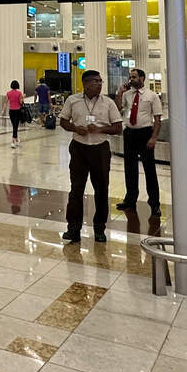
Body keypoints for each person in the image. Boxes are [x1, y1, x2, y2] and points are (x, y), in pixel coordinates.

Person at [58, 69, 123, 243]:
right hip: (79, 149)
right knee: (76, 190)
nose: (100, 84)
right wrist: (75, 128)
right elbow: (63, 122)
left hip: (100, 150)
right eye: (95, 81)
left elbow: (118, 128)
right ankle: (73, 229)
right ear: (85, 84)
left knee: (101, 190)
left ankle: (99, 229)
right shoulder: (73, 100)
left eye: (101, 81)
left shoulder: (108, 103)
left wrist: (100, 129)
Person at [116, 68, 164, 215]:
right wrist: (119, 93)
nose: (131, 80)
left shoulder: (152, 96)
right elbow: (118, 108)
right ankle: (130, 200)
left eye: (134, 77)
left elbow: (157, 119)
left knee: (149, 170)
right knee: (129, 169)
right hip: (130, 134)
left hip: (145, 134)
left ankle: (154, 203)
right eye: (130, 77)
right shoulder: (127, 94)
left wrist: (153, 137)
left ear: (142, 78)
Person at [5, 80, 25, 148]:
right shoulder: (19, 93)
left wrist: (3, 110)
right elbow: (20, 102)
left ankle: (16, 140)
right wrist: (23, 97)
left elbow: (5, 102)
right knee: (15, 126)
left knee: (14, 125)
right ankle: (13, 141)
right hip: (17, 111)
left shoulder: (8, 93)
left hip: (11, 111)